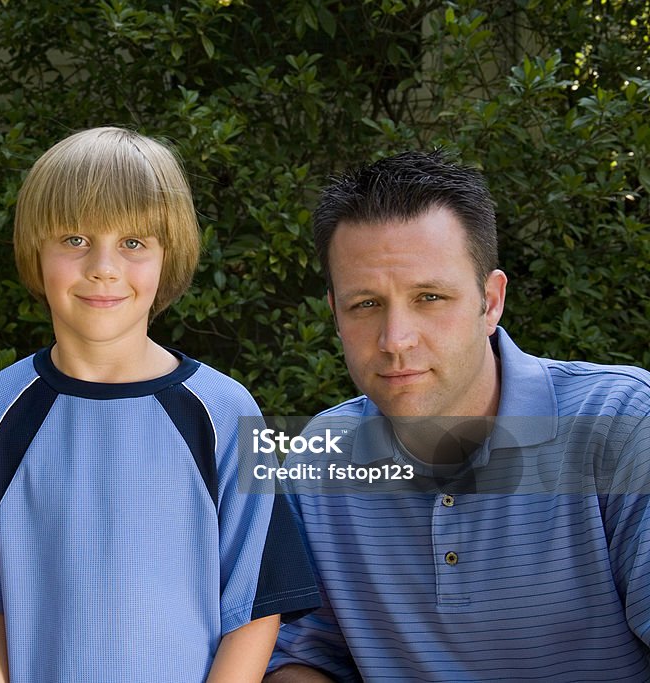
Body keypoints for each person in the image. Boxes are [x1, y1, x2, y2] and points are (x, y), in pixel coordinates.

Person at [0, 126, 320, 682]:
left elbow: (254, 608)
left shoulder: (224, 412)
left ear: (170, 254)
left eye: (134, 242)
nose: (103, 267)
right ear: (34, 249)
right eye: (74, 239)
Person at [265, 150, 650, 682]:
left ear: (490, 301)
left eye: (429, 297)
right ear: (335, 313)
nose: (395, 340)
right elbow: (302, 656)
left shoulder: (622, 422)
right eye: (366, 304)